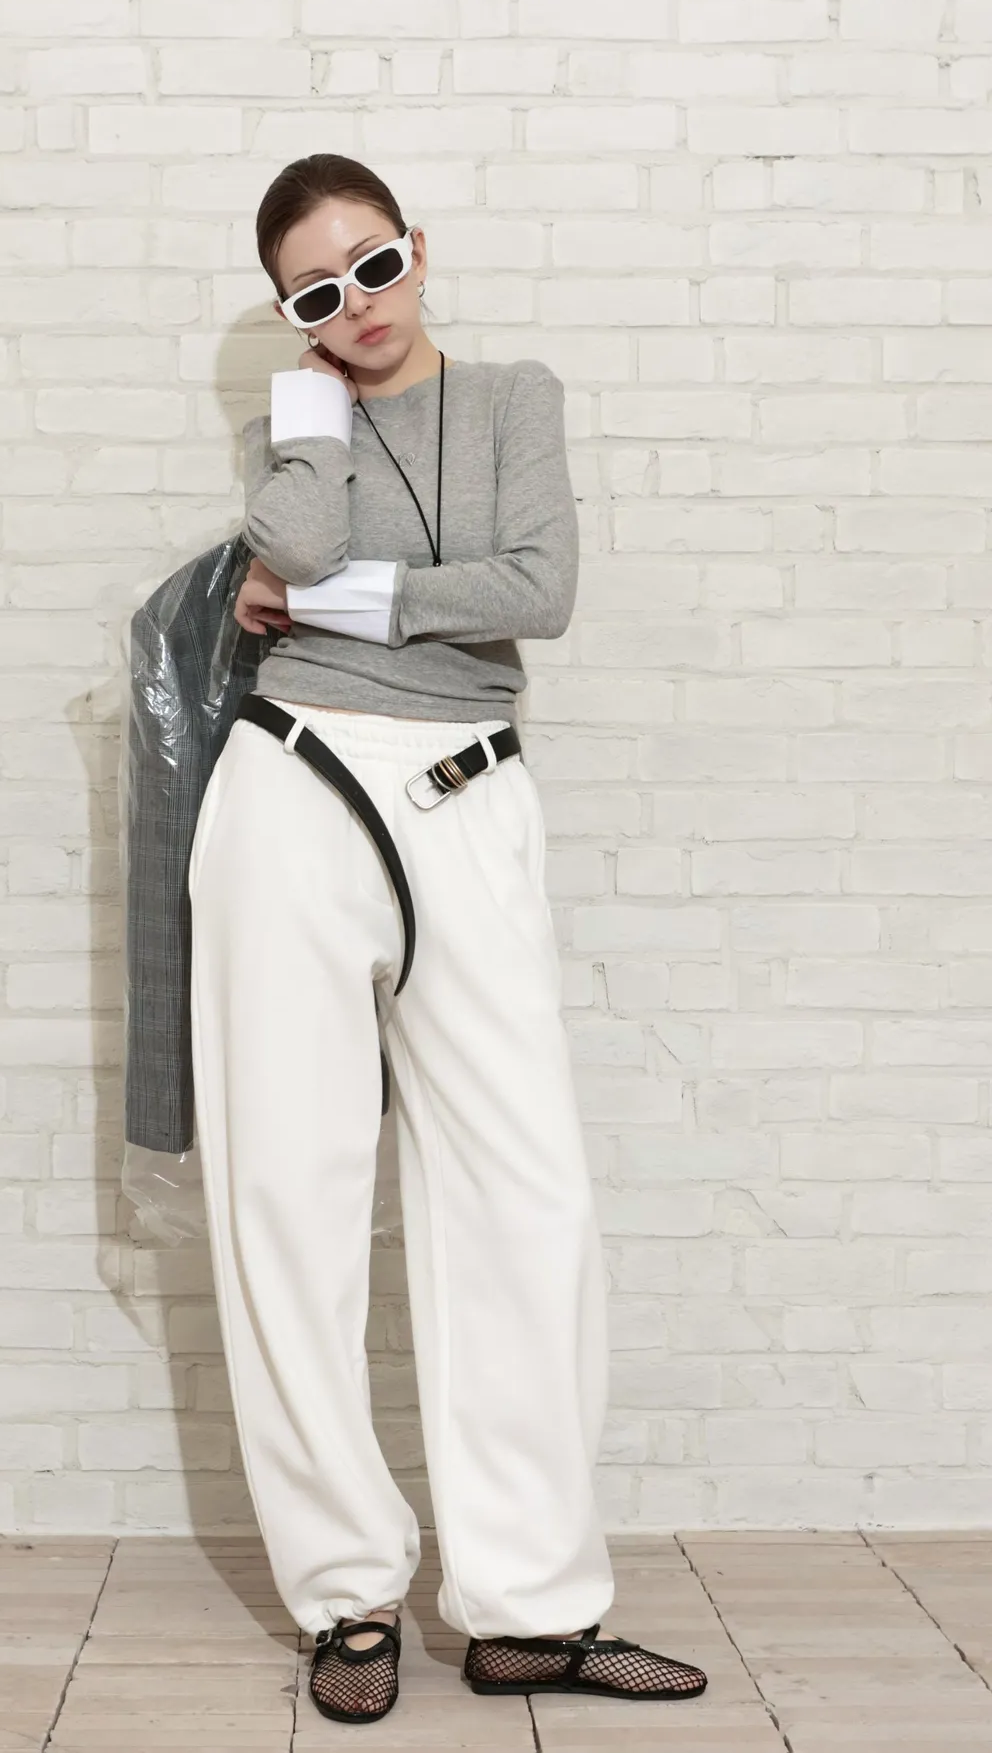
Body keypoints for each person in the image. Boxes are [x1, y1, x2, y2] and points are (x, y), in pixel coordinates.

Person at [188, 152, 707, 1725]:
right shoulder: (303, 425)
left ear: (417, 248)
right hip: (293, 792)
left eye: (374, 265)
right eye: (318, 293)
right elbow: (284, 547)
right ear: (294, 313)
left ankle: (527, 1607)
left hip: (472, 797)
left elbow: (538, 592)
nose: (359, 306)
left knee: (525, 1198)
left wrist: (333, 600)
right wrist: (308, 431)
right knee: (290, 1198)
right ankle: (345, 1598)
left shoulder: (511, 400)